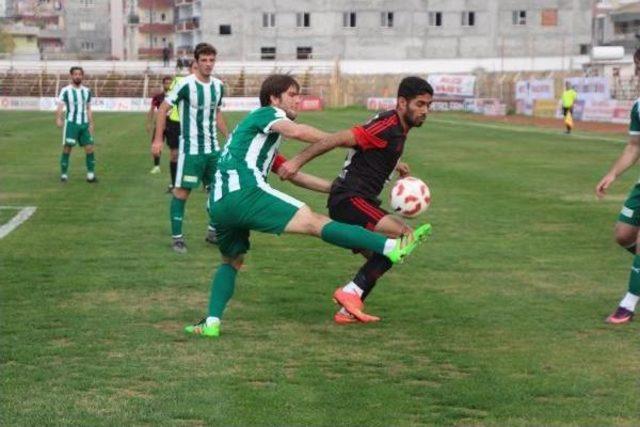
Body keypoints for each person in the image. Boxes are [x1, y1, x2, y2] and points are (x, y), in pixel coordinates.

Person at [183, 74, 431, 338]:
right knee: (315, 222)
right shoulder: (266, 113)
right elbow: (298, 131)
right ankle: (390, 246)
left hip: (219, 204)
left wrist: (332, 187)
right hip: (244, 192)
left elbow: (293, 174)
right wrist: (347, 142)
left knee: (231, 261)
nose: (298, 100)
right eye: (292, 94)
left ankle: (211, 322)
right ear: (273, 98)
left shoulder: (256, 142)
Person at [280, 76, 433, 323]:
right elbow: (340, 138)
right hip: (350, 199)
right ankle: (350, 292)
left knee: (382, 257)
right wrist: (296, 161)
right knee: (405, 236)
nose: (425, 111)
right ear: (402, 103)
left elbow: (372, 149)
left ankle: (348, 308)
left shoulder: (396, 127)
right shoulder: (389, 126)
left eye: (428, 105)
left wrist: (394, 164)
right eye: (420, 104)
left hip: (357, 200)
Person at [152, 43, 228, 253]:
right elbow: (163, 110)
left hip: (213, 150)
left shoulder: (218, 86)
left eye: (211, 60)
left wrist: (229, 136)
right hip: (191, 151)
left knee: (218, 192)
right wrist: (158, 140)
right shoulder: (185, 84)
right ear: (196, 62)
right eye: (203, 60)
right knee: (182, 192)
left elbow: (217, 114)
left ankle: (213, 231)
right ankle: (177, 238)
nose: (208, 64)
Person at [595, 50, 640, 324]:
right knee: (624, 235)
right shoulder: (639, 106)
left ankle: (628, 303)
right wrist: (612, 174)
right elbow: (635, 146)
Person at [56, 66, 97, 183]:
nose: (77, 76)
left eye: (80, 74)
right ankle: (64, 174)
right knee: (67, 148)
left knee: (89, 148)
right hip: (71, 124)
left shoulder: (87, 91)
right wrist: (58, 118)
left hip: (84, 124)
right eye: (75, 74)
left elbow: (88, 108)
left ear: (82, 76)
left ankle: (90, 175)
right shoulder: (66, 90)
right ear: (71, 76)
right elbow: (60, 106)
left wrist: (91, 123)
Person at [146, 76, 173, 174]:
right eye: (166, 83)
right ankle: (156, 166)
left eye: (170, 83)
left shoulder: (176, 96)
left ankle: (176, 166)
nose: (168, 85)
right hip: (160, 125)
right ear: (163, 84)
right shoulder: (158, 97)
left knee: (175, 147)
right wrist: (149, 123)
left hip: (173, 125)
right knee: (156, 146)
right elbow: (152, 109)